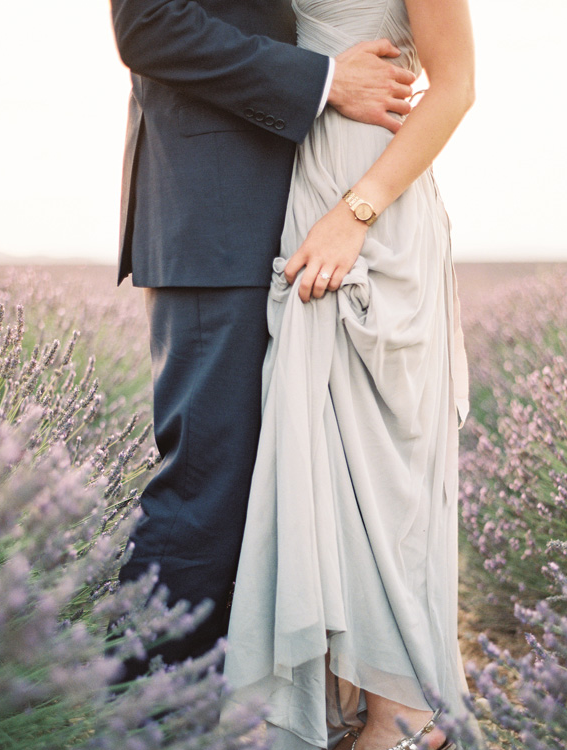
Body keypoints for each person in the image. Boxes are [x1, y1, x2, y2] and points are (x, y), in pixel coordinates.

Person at [109, 0, 417, 670]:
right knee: (207, 492)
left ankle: (227, 729)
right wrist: (327, 81)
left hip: (299, 215)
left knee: (274, 492)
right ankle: (147, 738)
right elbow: (148, 26)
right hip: (221, 220)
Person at [223, 0, 475, 750]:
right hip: (309, 184)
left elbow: (456, 86)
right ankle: (359, 697)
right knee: (321, 451)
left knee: (379, 459)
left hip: (371, 205)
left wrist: (356, 213)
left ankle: (401, 712)